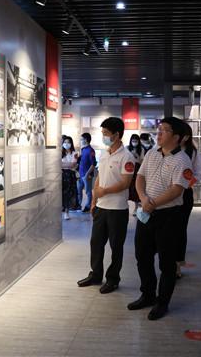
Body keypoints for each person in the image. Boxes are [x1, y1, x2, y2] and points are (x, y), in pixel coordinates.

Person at [127, 117, 192, 321]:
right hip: (146, 213)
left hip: (169, 216)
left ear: (177, 137)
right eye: (159, 129)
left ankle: (162, 302)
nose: (159, 133)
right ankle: (147, 294)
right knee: (142, 256)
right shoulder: (151, 153)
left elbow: (176, 190)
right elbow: (140, 177)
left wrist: (152, 202)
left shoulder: (183, 160)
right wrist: (143, 198)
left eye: (164, 130)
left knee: (167, 262)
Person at [77, 117, 136, 294]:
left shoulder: (127, 157)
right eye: (102, 133)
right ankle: (95, 274)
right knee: (96, 243)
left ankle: (113, 279)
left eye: (106, 133)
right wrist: (94, 200)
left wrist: (105, 191)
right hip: (101, 207)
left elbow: (125, 183)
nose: (103, 136)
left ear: (116, 135)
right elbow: (99, 178)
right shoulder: (104, 153)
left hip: (117, 209)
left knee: (116, 247)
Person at [176, 121, 201, 279]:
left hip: (184, 194)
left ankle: (177, 264)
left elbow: (198, 173)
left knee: (180, 230)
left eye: (186, 136)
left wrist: (185, 184)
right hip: (166, 195)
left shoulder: (192, 151)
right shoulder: (162, 150)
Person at [61, 136, 79, 220]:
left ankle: (66, 212)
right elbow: (58, 164)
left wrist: (63, 165)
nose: (66, 144)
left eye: (68, 142)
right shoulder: (60, 153)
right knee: (61, 194)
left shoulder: (75, 153)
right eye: (65, 142)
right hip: (62, 175)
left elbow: (73, 165)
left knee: (69, 194)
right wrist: (68, 165)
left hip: (71, 176)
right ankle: (62, 209)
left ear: (71, 143)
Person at [77, 132, 96, 212]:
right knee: (78, 190)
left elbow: (93, 164)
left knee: (88, 191)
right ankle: (78, 205)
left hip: (87, 175)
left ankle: (88, 206)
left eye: (81, 139)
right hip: (80, 174)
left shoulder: (91, 150)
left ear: (86, 140)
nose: (80, 141)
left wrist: (87, 174)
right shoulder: (83, 149)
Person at [127, 134, 145, 214]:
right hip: (128, 168)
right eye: (133, 141)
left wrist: (136, 155)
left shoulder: (141, 149)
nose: (134, 142)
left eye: (136, 141)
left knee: (135, 188)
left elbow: (142, 161)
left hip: (137, 168)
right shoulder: (127, 148)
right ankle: (125, 207)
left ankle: (136, 207)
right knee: (127, 187)